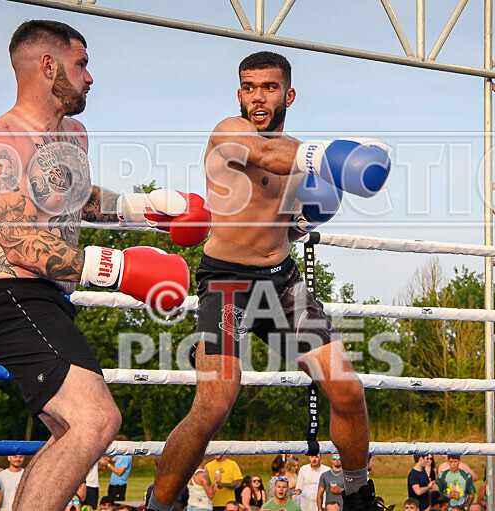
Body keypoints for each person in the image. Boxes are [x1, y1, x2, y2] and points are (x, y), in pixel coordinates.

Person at [0, 19, 208, 511]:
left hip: (50, 300)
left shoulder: (74, 134)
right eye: (81, 64)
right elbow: (18, 242)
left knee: (69, 431)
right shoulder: (2, 140)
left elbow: (77, 199)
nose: (90, 77)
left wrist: (143, 207)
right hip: (11, 299)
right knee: (96, 420)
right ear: (48, 65)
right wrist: (120, 270)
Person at [147, 50, 390, 511]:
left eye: (269, 87)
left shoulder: (297, 156)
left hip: (282, 284)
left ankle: (358, 493)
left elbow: (284, 223)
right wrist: (336, 157)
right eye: (249, 87)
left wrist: (304, 220)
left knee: (347, 388)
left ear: (288, 95)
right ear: (239, 94)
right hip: (227, 284)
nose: (258, 97)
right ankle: (159, 503)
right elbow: (267, 156)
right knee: (214, 403)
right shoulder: (230, 133)